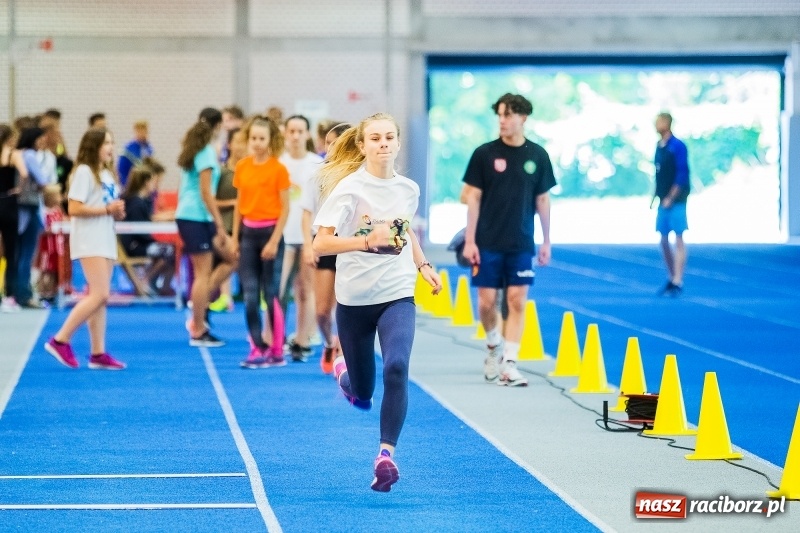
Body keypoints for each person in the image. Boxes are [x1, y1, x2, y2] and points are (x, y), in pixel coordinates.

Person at [312, 113, 442, 492]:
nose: (383, 144)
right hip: (354, 300)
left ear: (398, 143)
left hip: (396, 294)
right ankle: (344, 372)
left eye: (389, 137)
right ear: (363, 145)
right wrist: (365, 241)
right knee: (364, 391)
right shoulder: (349, 189)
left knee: (397, 368)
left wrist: (423, 264)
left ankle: (385, 456)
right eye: (375, 138)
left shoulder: (409, 189)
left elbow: (404, 231)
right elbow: (321, 244)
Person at [460, 93, 556, 388]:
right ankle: (493, 347)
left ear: (523, 118)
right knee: (487, 303)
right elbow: (471, 197)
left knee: (517, 301)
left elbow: (542, 199)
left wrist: (546, 240)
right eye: (499, 115)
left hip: (521, 242)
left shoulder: (538, 155)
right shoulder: (484, 154)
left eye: (508, 115)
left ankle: (510, 363)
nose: (502, 121)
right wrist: (470, 240)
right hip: (487, 241)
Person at [44, 128, 127, 370]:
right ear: (94, 147)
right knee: (99, 294)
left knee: (100, 299)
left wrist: (116, 212)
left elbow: (104, 205)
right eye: (106, 143)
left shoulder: (106, 174)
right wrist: (106, 210)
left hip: (105, 237)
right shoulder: (83, 172)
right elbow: (74, 208)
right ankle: (60, 339)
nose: (111, 147)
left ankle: (98, 352)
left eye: (112, 142)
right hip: (90, 239)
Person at [231, 116, 290, 368]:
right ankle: (257, 347)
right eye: (253, 138)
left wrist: (274, 241)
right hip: (248, 235)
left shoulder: (278, 169)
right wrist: (235, 238)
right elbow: (238, 206)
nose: (256, 143)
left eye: (261, 139)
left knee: (271, 293)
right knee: (251, 295)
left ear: (270, 141)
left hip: (271, 234)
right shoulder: (242, 167)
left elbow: (285, 208)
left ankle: (276, 349)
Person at [175, 108, 237, 347]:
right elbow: (205, 192)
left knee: (231, 258)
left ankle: (198, 307)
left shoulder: (196, 150)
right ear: (218, 126)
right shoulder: (206, 153)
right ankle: (198, 329)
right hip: (196, 217)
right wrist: (219, 224)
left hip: (194, 217)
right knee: (202, 273)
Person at [300, 122, 350, 374]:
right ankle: (329, 342)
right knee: (322, 310)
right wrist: (308, 246)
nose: (328, 148)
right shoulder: (318, 174)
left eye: (334, 143)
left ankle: (343, 350)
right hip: (324, 243)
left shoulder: (357, 175)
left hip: (350, 246)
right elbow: (307, 213)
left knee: (345, 306)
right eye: (327, 142)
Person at [279, 115, 323, 361]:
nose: (295, 136)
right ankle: (274, 338)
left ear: (307, 134)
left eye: (300, 131)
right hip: (283, 235)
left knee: (306, 289)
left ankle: (303, 339)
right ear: (285, 133)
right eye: (291, 131)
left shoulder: (317, 164)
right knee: (280, 289)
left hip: (308, 235)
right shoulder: (278, 163)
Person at [120, 166, 176, 295]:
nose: (154, 184)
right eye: (152, 181)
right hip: (134, 246)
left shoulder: (144, 201)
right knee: (169, 251)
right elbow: (140, 231)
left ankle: (158, 284)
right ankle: (146, 279)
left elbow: (149, 220)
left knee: (171, 250)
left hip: (141, 242)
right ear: (145, 182)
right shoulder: (136, 203)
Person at [210, 127, 247, 313]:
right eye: (238, 141)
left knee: (236, 261)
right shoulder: (221, 172)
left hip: (246, 227)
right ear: (229, 144)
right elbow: (211, 200)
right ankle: (217, 296)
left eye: (244, 142)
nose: (241, 147)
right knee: (229, 260)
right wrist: (234, 202)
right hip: (224, 226)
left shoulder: (250, 171)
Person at [653, 112, 690, 297]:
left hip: (677, 200)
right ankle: (671, 275)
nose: (656, 124)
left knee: (679, 237)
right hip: (662, 199)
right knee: (663, 238)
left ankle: (678, 279)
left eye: (659, 121)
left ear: (667, 123)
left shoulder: (677, 146)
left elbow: (682, 174)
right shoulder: (659, 147)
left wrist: (672, 196)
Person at [15, 127, 51, 308]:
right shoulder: (29, 156)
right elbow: (42, 180)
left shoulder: (17, 154)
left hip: (20, 208)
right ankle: (24, 293)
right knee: (27, 253)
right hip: (29, 208)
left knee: (21, 252)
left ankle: (19, 291)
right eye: (40, 138)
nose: (42, 141)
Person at [0, 124, 28, 312]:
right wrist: (18, 189)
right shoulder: (13, 154)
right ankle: (10, 296)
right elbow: (24, 173)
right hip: (8, 203)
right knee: (11, 251)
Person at [34, 184, 67, 303]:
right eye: (58, 196)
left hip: (58, 246)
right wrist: (50, 230)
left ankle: (52, 292)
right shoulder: (44, 212)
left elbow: (64, 221)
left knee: (54, 270)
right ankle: (41, 291)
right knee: (45, 270)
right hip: (47, 248)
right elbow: (41, 229)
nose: (60, 198)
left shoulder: (58, 211)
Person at [117, 120, 154, 186]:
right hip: (131, 186)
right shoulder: (128, 150)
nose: (142, 134)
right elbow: (121, 171)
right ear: (136, 131)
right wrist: (127, 187)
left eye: (145, 131)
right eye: (140, 131)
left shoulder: (149, 149)